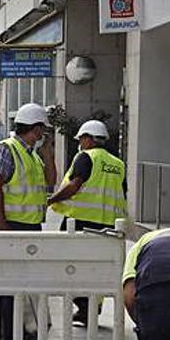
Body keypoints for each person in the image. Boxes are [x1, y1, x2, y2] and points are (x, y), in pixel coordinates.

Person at [0, 103, 56, 340]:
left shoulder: (32, 154)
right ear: (35, 129)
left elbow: (50, 181)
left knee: (18, 284)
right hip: (9, 224)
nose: (44, 135)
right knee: (0, 283)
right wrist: (1, 222)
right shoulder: (7, 149)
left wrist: (47, 153)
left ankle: (13, 332)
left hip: (27, 226)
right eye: (42, 130)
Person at [48, 119, 129, 325]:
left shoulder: (85, 157)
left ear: (89, 139)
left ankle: (84, 305)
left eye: (82, 139)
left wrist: (51, 200)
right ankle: (92, 307)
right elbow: (122, 192)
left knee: (69, 264)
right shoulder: (118, 164)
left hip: (80, 223)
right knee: (98, 268)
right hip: (108, 225)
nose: (80, 143)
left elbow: (75, 186)